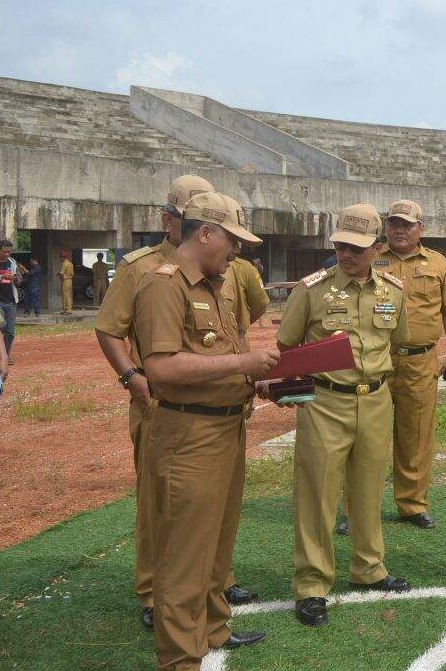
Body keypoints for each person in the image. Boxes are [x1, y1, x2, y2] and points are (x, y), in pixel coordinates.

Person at [95, 174, 259, 631]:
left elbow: (236, 332)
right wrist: (132, 378)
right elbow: (111, 330)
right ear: (182, 222)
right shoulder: (148, 272)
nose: (235, 249)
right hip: (167, 408)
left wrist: (247, 376)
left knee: (212, 514)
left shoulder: (224, 270)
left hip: (221, 411)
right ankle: (156, 594)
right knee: (164, 510)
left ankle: (214, 593)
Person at [133, 191, 277, 670]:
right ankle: (180, 658)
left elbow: (215, 357)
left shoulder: (216, 285)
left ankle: (214, 628)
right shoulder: (164, 285)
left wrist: (257, 380)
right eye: (232, 240)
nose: (237, 251)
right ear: (207, 233)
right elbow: (161, 369)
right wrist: (244, 363)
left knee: (216, 544)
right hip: (188, 436)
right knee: (184, 556)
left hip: (225, 430)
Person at [277, 203, 413, 629]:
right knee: (317, 494)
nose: (347, 254)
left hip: (375, 400)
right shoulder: (311, 290)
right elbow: (286, 344)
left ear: (377, 247)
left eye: (356, 247)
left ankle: (369, 568)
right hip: (325, 403)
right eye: (341, 246)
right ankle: (312, 585)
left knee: (368, 489)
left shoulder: (393, 291)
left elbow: (398, 343)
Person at [371, 199, 446, 531]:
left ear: (421, 228)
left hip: (421, 361)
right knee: (367, 435)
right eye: (394, 223)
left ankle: (412, 504)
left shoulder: (437, 264)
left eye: (407, 225)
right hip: (375, 359)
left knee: (417, 435)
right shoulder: (371, 258)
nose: (399, 230)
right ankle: (359, 509)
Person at [0, 241, 22, 361]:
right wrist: (0, 277)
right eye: (4, 251)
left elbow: (20, 280)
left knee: (10, 331)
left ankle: (5, 356)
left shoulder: (12, 262)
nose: (7, 254)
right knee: (0, 327)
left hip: (11, 301)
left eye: (9, 252)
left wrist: (16, 279)